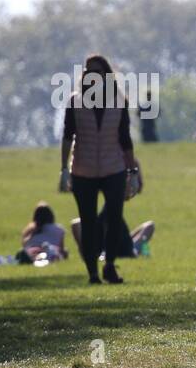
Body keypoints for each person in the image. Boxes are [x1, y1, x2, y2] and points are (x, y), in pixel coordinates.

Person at [60, 54, 142, 285]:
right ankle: (92, 273)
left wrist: (132, 172)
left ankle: (109, 267)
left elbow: (125, 140)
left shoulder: (119, 102)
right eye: (88, 71)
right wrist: (64, 169)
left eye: (96, 71)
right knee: (88, 222)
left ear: (106, 76)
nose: (91, 75)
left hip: (113, 168)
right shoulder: (75, 102)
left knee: (114, 219)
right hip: (83, 170)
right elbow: (67, 136)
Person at [70, 211, 154, 260]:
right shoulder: (101, 253)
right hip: (117, 249)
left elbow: (75, 223)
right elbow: (75, 223)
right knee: (149, 226)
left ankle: (123, 238)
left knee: (150, 225)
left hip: (123, 245)